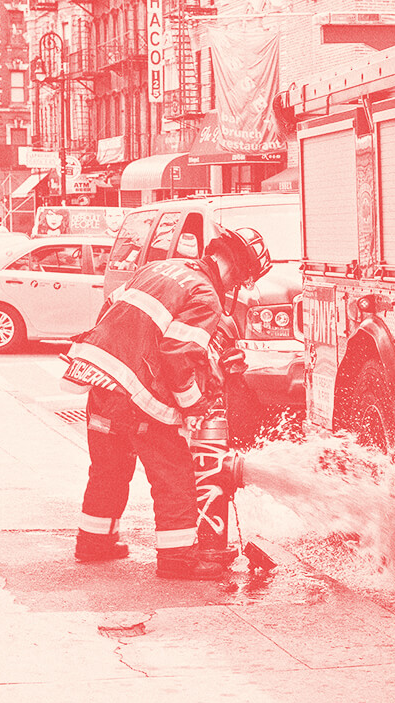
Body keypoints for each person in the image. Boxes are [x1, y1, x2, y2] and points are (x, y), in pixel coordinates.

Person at [61, 226, 268, 579]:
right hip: (135, 395)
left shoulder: (159, 268)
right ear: (238, 272)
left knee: (109, 469)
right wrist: (193, 407)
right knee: (175, 474)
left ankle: (94, 542)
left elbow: (110, 310)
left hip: (98, 381)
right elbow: (177, 354)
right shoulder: (206, 295)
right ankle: (177, 559)